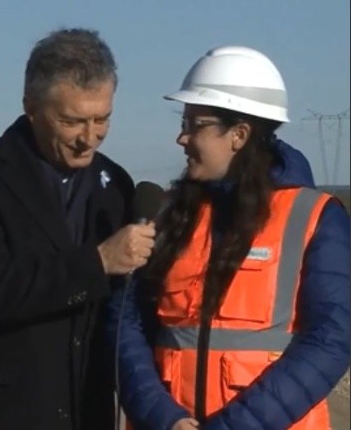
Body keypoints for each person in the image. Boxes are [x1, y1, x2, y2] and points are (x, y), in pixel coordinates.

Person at [106, 46, 350, 430]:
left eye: (195, 124)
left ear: (239, 135)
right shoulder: (166, 214)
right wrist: (164, 417)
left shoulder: (314, 217)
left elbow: (331, 340)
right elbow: (126, 323)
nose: (181, 138)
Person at [0, 28, 157, 430]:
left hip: (86, 411)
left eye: (102, 119)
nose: (89, 139)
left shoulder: (116, 184)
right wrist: (98, 261)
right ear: (31, 107)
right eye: (72, 121)